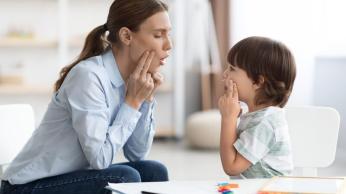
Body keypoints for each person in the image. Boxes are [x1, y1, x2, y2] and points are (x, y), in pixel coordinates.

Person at [0, 0, 172, 193]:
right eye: (158, 35)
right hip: (26, 187)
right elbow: (100, 160)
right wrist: (132, 102)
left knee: (154, 171)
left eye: (168, 34)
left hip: (71, 177)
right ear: (126, 36)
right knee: (124, 177)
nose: (169, 45)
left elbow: (137, 154)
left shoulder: (133, 82)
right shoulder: (89, 77)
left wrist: (144, 100)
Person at [218, 36, 296, 178]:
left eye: (232, 68)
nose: (224, 74)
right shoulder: (258, 117)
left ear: (258, 82)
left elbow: (232, 167)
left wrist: (228, 119)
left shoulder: (266, 122)